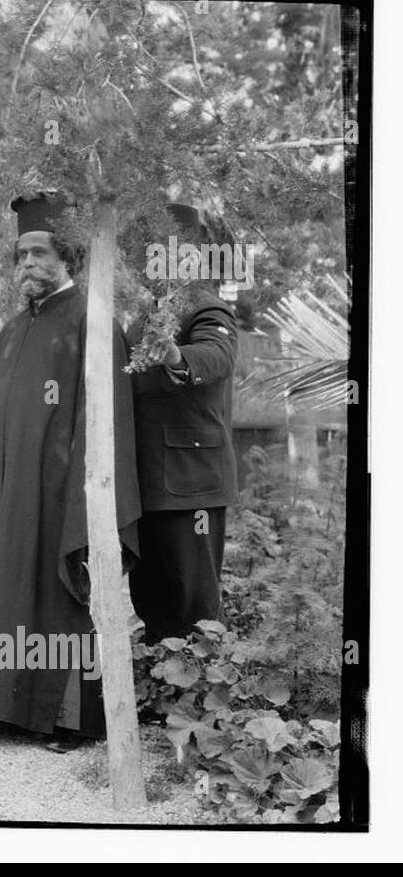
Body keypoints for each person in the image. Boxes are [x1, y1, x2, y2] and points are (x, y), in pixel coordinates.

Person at [0, 191, 141, 752]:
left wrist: (83, 501)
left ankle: (66, 719)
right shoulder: (12, 328)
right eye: (21, 254)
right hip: (6, 493)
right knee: (1, 584)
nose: (28, 263)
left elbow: (106, 422)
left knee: (58, 595)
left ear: (68, 257)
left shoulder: (94, 321)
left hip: (60, 495)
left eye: (41, 253)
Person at [127, 202, 238, 643]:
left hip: (193, 482)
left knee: (193, 603)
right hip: (149, 483)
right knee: (152, 596)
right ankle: (161, 692)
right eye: (146, 255)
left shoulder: (206, 308)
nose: (152, 264)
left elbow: (216, 356)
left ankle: (199, 698)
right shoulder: (140, 319)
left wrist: (176, 355)